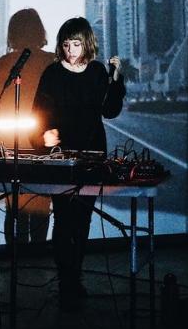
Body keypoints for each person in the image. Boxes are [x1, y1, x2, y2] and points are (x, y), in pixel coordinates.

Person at [31, 17, 125, 310]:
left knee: (83, 218)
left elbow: (110, 112)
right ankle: (66, 279)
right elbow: (38, 113)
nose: (71, 50)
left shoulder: (97, 72)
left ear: (87, 44)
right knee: (62, 216)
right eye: (67, 44)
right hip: (60, 155)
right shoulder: (52, 74)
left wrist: (117, 79)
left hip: (93, 153)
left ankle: (76, 276)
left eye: (76, 43)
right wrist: (42, 136)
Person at [0, 8, 56, 244]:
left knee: (15, 211)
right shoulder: (52, 61)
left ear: (12, 34)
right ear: (40, 32)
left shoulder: (4, 63)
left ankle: (14, 265)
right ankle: (37, 261)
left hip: (10, 151)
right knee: (41, 208)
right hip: (45, 152)